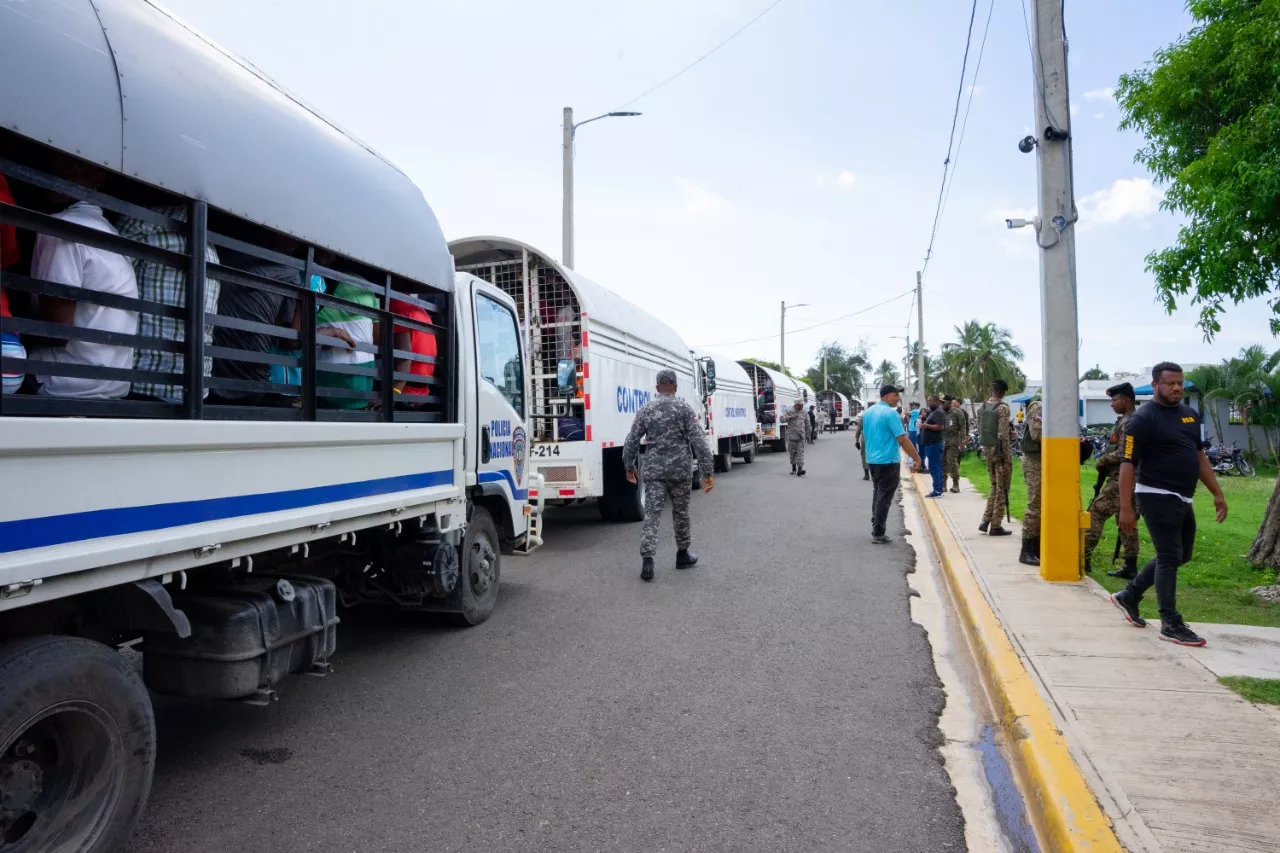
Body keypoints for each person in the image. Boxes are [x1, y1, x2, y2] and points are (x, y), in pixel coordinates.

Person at [1110, 362, 1227, 647]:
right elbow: (1127, 464)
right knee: (1169, 556)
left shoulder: (1189, 416)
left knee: (1181, 555)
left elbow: (1200, 457)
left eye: (1179, 383)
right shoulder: (1143, 419)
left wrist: (1217, 493)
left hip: (1184, 496)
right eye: (1169, 383)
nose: (1176, 388)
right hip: (1155, 493)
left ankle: (1130, 595)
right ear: (1155, 386)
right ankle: (1170, 622)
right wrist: (1127, 508)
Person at [27, 198, 138, 399]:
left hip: (66, 381)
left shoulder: (62, 227)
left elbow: (57, 330)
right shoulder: (114, 236)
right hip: (115, 385)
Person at [117, 207, 221, 403]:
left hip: (146, 379)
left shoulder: (144, 226)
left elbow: (106, 281)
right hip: (195, 385)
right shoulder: (210, 249)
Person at [622, 368, 715, 582]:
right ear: (675, 386)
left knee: (652, 515)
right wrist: (707, 472)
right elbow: (699, 442)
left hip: (654, 471)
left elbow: (631, 440)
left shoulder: (646, 409)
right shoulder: (684, 409)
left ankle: (648, 562)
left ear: (657, 387)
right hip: (680, 471)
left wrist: (629, 466)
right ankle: (682, 555)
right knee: (681, 513)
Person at [1085, 382, 1141, 577]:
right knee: (1126, 522)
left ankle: (1083, 556)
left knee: (1095, 513)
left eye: (1115, 400)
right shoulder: (1129, 420)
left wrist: (1103, 459)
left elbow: (1124, 453)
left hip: (1122, 480)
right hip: (1130, 480)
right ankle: (1130, 567)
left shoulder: (1129, 422)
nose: (1112, 404)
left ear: (1126, 400)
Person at [864, 384, 924, 544]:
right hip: (888, 461)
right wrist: (917, 459)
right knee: (884, 497)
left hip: (872, 460)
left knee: (878, 493)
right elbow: (902, 439)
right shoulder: (890, 414)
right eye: (895, 395)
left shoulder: (868, 412)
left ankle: (876, 525)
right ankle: (878, 532)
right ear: (885, 396)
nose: (898, 398)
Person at [977, 379, 1014, 536]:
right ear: (1002, 392)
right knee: (1002, 488)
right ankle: (996, 525)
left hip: (987, 450)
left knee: (994, 485)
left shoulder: (982, 407)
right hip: (1000, 452)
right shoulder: (1003, 408)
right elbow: (1003, 435)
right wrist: (1006, 458)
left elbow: (980, 430)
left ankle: (986, 520)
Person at [1019, 395, 1044, 565]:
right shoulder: (1039, 406)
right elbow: (1037, 434)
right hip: (1035, 461)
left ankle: (1039, 548)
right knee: (1035, 505)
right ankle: (1027, 550)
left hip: (1045, 460)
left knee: (1044, 505)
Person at [920, 394, 947, 497]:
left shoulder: (939, 412)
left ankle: (937, 491)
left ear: (937, 401)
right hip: (930, 444)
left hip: (935, 444)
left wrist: (926, 425)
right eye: (928, 401)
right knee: (934, 467)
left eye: (931, 401)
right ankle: (938, 489)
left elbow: (940, 427)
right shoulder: (933, 412)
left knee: (934, 468)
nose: (929, 402)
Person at [943, 395, 967, 493]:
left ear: (948, 402)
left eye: (943, 402)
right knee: (942, 463)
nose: (942, 404)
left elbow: (962, 427)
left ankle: (955, 484)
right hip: (941, 442)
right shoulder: (940, 412)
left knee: (952, 463)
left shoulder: (957, 412)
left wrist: (963, 441)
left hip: (953, 442)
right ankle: (943, 484)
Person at [783, 398, 807, 475]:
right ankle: (794, 468)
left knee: (800, 453)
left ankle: (800, 469)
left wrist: (809, 434)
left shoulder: (804, 412)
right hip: (792, 436)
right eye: (801, 405)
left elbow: (807, 423)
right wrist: (790, 417)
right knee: (792, 453)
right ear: (796, 405)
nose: (802, 406)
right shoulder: (789, 411)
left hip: (801, 436)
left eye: (803, 405)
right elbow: (781, 419)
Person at [854, 410, 870, 480]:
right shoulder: (879, 417)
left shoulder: (864, 417)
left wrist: (857, 439)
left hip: (865, 438)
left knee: (864, 455)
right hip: (877, 439)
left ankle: (866, 474)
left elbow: (859, 429)